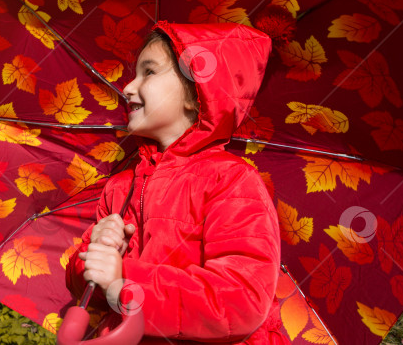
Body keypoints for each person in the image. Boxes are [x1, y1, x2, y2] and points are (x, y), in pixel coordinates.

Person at [65, 20, 290, 344]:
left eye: (149, 72)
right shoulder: (119, 189)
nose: (128, 87)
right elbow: (89, 289)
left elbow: (240, 301)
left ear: (197, 94)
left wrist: (125, 281)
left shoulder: (230, 181)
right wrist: (93, 253)